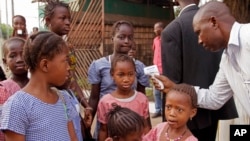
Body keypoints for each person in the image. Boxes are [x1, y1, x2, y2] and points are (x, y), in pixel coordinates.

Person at [154, 0, 250, 137]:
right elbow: (214, 98)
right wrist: (175, 88)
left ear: (213, 22)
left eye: (199, 32)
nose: (199, 40)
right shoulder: (227, 60)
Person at [0, 31, 78, 141]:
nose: (68, 67)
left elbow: (73, 138)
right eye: (65, 61)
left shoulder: (63, 98)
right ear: (45, 65)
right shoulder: (17, 106)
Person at [88, 20, 150, 139]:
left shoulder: (139, 67)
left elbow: (143, 102)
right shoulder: (99, 65)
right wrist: (87, 127)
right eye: (121, 37)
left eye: (130, 38)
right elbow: (94, 98)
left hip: (133, 130)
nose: (126, 41)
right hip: (107, 125)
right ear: (112, 39)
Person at [43, 0, 93, 134]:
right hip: (48, 104)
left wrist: (85, 105)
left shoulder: (69, 48)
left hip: (68, 102)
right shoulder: (41, 47)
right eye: (62, 18)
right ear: (49, 20)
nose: (68, 22)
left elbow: (72, 80)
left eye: (69, 19)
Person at [97, 54, 150, 141]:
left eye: (130, 74)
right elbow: (103, 129)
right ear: (112, 75)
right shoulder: (105, 102)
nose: (126, 79)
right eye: (121, 75)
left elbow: (146, 127)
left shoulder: (142, 99)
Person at [0, 37, 28, 141]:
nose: (20, 59)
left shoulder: (38, 87)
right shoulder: (2, 90)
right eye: (12, 56)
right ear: (5, 61)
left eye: (24, 54)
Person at [151, 22, 164, 118]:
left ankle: (164, 110)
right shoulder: (155, 40)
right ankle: (158, 109)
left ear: (162, 28)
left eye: (157, 29)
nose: (155, 31)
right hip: (156, 69)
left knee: (164, 90)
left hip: (164, 69)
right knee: (156, 91)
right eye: (154, 29)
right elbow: (154, 51)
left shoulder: (167, 39)